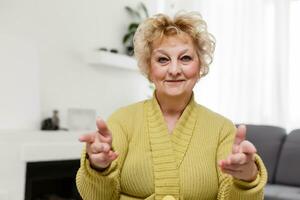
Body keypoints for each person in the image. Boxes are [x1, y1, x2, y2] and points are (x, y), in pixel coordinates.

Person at [76, 11, 267, 200]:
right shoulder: (122, 120)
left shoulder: (222, 129)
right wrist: (98, 167)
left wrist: (246, 177)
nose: (174, 70)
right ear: (149, 69)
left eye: (185, 58)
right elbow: (98, 197)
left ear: (200, 67)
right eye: (162, 59)